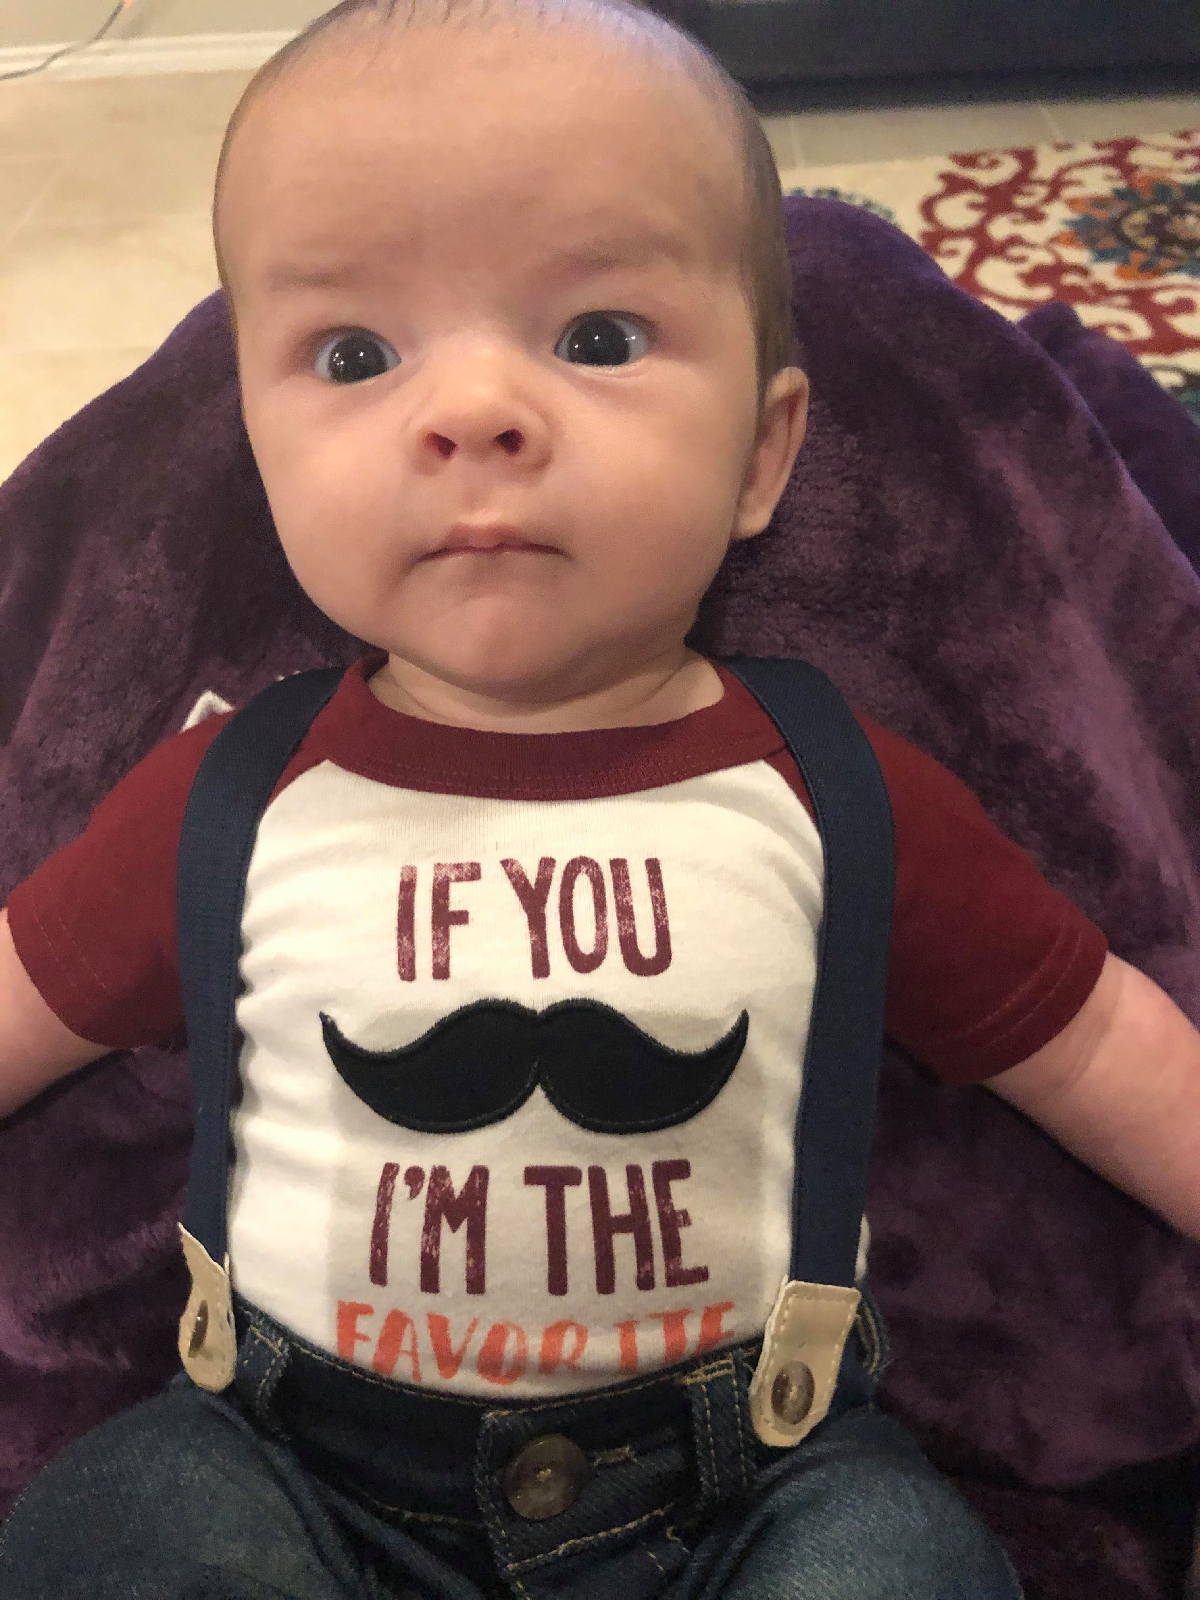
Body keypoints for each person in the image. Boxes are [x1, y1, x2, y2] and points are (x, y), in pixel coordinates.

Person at [1, 0, 1197, 1594]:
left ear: (763, 454)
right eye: (355, 357)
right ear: (258, 453)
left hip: (751, 1477)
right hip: (287, 1468)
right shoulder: (227, 794)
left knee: (899, 1563)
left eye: (598, 339)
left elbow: (1099, 1042)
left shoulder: (838, 792)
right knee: (109, 1527)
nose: (473, 410)